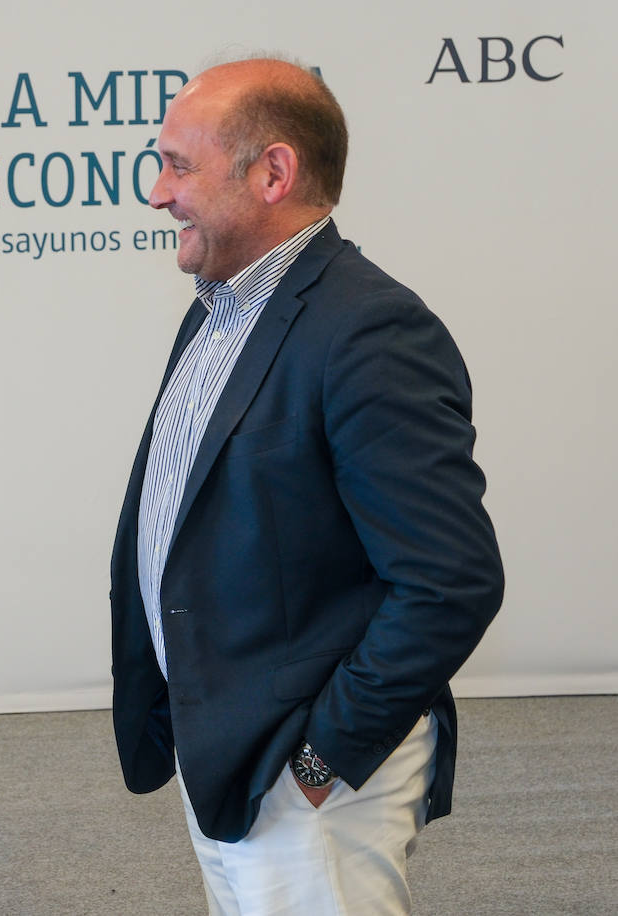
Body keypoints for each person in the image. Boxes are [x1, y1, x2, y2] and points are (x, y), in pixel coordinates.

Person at [109, 58, 504, 914]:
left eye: (178, 164)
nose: (155, 191)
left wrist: (320, 762)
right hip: (229, 754)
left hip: (308, 779)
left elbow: (450, 583)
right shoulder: (218, 308)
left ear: (273, 173)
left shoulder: (369, 330)